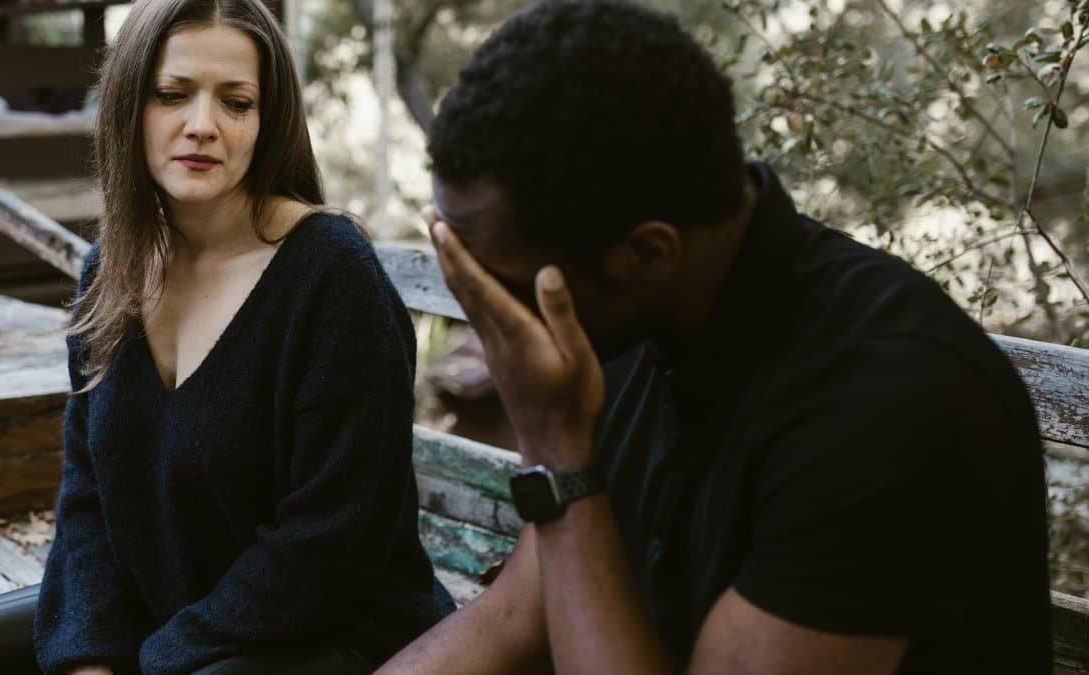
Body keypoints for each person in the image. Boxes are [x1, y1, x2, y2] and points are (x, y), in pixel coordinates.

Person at [379, 1, 1051, 673]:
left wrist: (557, 449)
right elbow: (514, 615)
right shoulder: (634, 318)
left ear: (648, 254)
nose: (486, 315)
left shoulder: (890, 397)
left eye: (497, 285)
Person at [0, 1, 452, 674]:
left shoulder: (332, 277)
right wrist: (88, 657)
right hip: (171, 616)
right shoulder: (111, 270)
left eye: (236, 102)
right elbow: (87, 500)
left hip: (329, 630)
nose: (202, 126)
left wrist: (165, 655)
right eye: (172, 95)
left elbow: (332, 541)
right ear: (131, 105)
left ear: (266, 121)